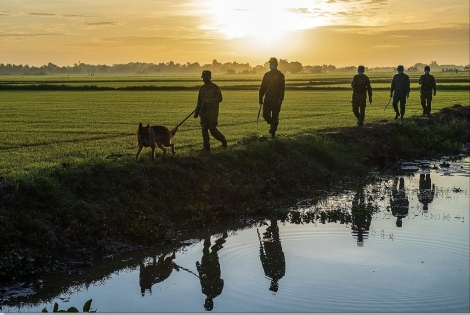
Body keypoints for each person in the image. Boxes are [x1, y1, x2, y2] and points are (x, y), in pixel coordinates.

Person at [194, 70, 227, 152]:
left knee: (212, 129)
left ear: (210, 77)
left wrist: (209, 101)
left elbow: (220, 99)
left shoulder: (215, 87)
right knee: (204, 129)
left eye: (206, 77)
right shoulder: (202, 88)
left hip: (212, 113)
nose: (204, 79)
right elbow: (199, 101)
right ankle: (206, 147)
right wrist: (197, 112)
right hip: (203, 113)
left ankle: (223, 141)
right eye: (203, 77)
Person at [196, 232, 227, 311]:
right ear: (210, 302)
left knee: (206, 250)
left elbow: (201, 277)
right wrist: (213, 280)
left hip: (206, 267)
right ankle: (221, 238)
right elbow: (221, 281)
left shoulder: (205, 291)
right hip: (213, 269)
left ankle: (208, 235)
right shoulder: (216, 292)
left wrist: (198, 267)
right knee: (212, 251)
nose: (207, 301)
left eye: (206, 303)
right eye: (208, 303)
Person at [259, 57, 285, 138]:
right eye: (270, 64)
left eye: (273, 64)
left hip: (276, 100)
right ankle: (272, 124)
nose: (271, 65)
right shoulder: (266, 75)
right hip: (267, 99)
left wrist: (280, 99)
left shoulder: (280, 75)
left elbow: (282, 88)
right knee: (265, 115)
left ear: (276, 65)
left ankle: (273, 132)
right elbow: (263, 87)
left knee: (275, 116)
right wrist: (260, 97)